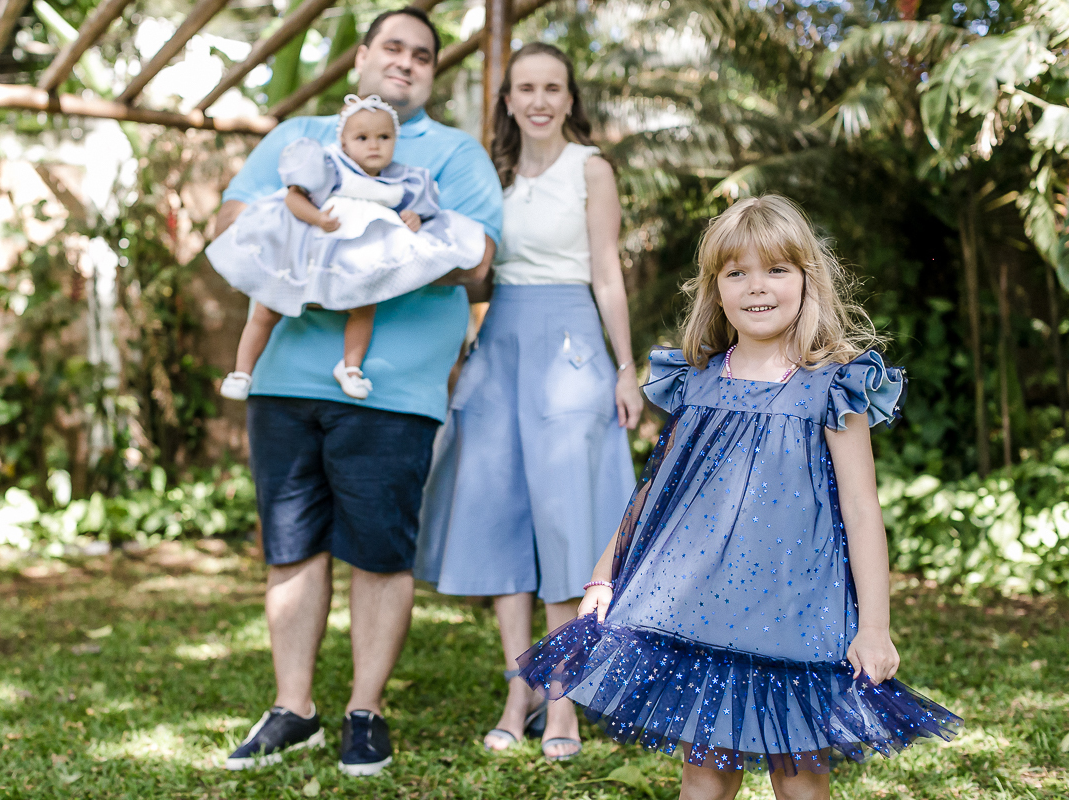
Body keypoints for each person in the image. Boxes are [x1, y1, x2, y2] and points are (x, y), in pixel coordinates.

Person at [517, 195, 962, 799]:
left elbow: (862, 512)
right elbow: (654, 492)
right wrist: (603, 577)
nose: (758, 287)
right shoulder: (697, 381)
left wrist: (876, 628)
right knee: (704, 776)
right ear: (715, 289)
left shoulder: (834, 386)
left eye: (777, 269)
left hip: (798, 615)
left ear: (808, 279)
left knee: (801, 778)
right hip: (700, 613)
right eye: (737, 272)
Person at [211, 7, 502, 778]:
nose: (406, 63)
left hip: (395, 389)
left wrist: (365, 246)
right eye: (393, 49)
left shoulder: (455, 155)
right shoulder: (296, 139)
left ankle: (364, 712)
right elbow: (237, 219)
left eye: (422, 56)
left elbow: (475, 261)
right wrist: (327, 237)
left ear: (432, 74)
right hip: (282, 381)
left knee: (379, 552)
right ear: (361, 60)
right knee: (291, 546)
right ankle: (293, 707)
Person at [415, 43, 643, 761]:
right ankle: (520, 689)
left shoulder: (592, 168)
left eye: (553, 87)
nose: (540, 100)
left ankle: (565, 699)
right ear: (507, 100)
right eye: (526, 89)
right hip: (500, 348)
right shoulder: (490, 174)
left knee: (567, 525)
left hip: (572, 347)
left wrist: (626, 367)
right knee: (500, 520)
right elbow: (469, 267)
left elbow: (607, 271)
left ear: (570, 99)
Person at [208, 94, 486, 401]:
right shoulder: (330, 168)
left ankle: (351, 368)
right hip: (307, 255)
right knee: (267, 308)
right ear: (343, 142)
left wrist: (413, 218)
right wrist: (317, 218)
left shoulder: (403, 180)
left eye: (384, 137)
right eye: (362, 137)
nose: (374, 145)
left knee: (364, 309)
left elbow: (420, 212)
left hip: (355, 264)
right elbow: (293, 198)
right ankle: (242, 371)